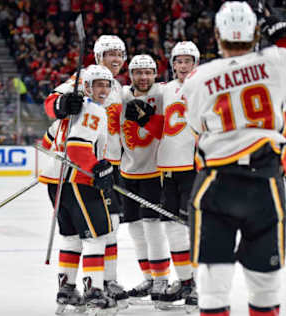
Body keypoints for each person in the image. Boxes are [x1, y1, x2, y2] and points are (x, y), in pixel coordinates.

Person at [182, 2, 286, 316]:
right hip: (264, 182)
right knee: (265, 285)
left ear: (217, 34)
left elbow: (196, 128)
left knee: (213, 284)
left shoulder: (199, 77)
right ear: (256, 32)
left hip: (216, 182)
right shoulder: (276, 61)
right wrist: (284, 37)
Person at [43, 35, 129, 308]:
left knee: (72, 235)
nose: (104, 89)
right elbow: (55, 106)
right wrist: (96, 167)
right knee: (99, 234)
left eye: (119, 54)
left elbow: (49, 138)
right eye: (109, 53)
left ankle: (67, 288)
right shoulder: (82, 90)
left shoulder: (116, 88)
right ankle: (95, 289)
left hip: (66, 176)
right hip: (83, 175)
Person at [125, 42, 200, 310]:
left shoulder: (203, 86)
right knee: (173, 228)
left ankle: (196, 286)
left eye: (187, 61)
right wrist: (145, 119)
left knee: (193, 229)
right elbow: (167, 128)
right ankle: (185, 282)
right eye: (178, 61)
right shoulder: (168, 89)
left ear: (196, 63)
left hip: (193, 167)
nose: (182, 66)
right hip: (169, 168)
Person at [110, 54, 170, 304]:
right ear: (130, 74)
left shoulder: (164, 93)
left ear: (156, 74)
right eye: (138, 72)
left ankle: (161, 279)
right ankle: (148, 276)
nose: (143, 77)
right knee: (135, 229)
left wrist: (149, 118)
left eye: (148, 72)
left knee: (153, 227)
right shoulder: (122, 94)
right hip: (128, 172)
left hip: (155, 173)